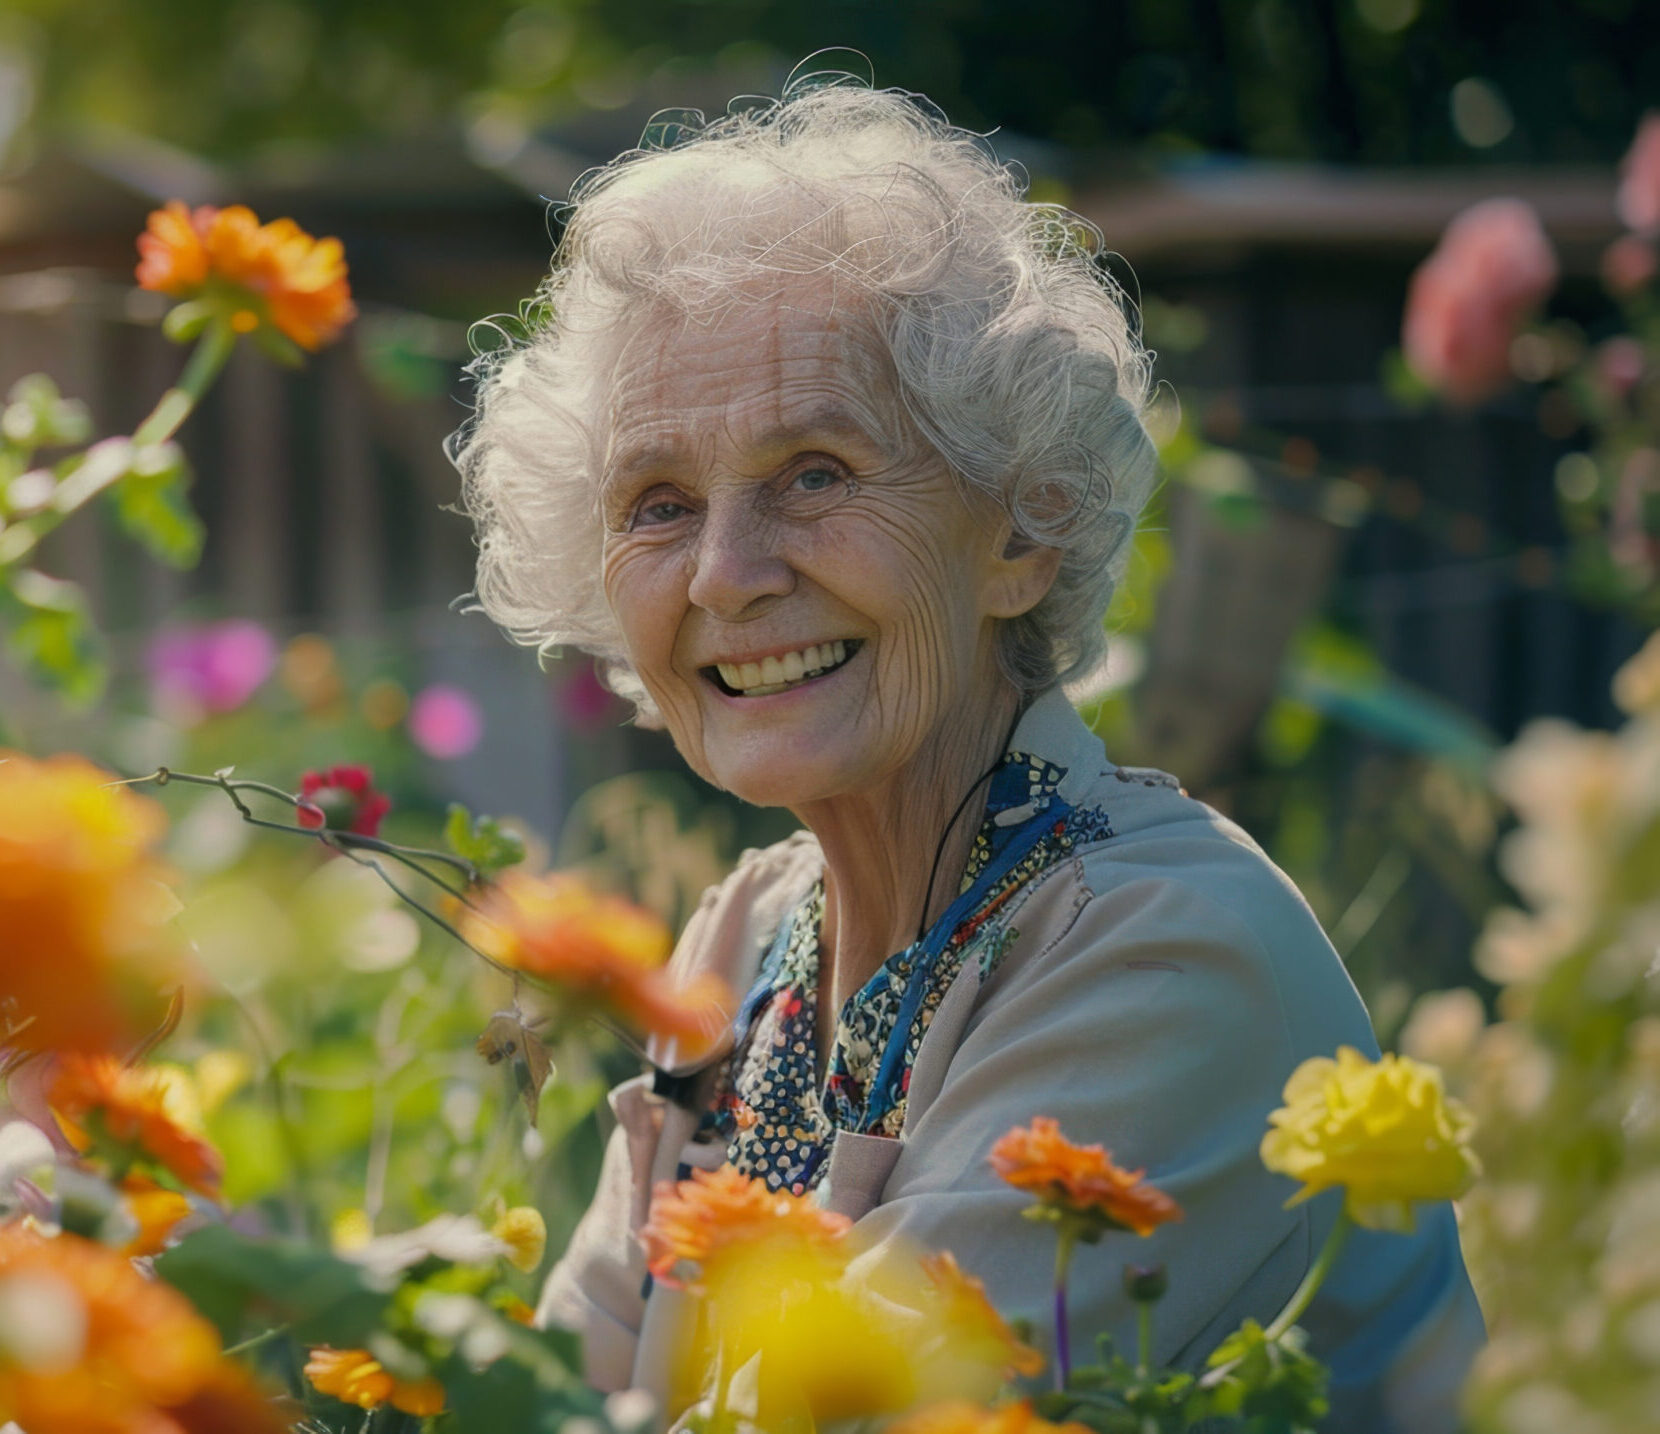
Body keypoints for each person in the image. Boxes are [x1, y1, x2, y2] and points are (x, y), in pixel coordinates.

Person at [452, 78, 1484, 1432]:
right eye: (658, 503)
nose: (724, 572)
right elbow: (542, 1395)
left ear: (1022, 532)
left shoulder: (1165, 954)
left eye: (815, 471)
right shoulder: (747, 942)